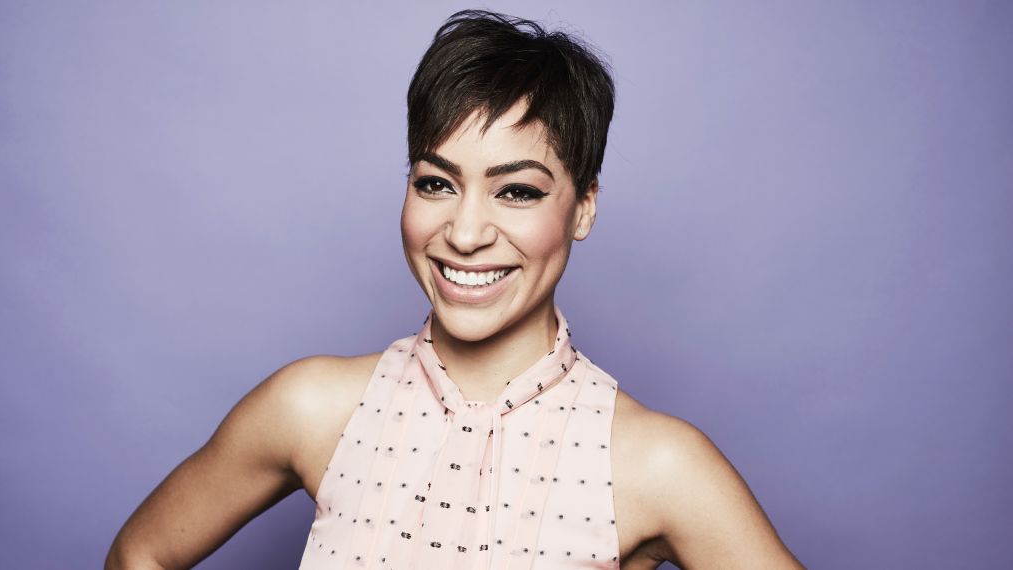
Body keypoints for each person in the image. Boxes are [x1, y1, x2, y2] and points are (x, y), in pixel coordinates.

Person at [107, 10, 803, 570]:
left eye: (518, 191)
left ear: (583, 207)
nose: (465, 232)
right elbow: (142, 553)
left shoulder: (656, 463)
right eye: (436, 182)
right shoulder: (312, 408)